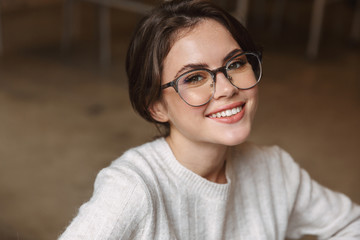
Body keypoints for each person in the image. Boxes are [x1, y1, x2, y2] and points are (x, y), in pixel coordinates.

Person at [59, 0, 360, 239]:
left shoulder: (274, 171)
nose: (228, 88)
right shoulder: (134, 188)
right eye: (194, 77)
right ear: (155, 107)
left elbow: (351, 225)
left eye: (236, 63)